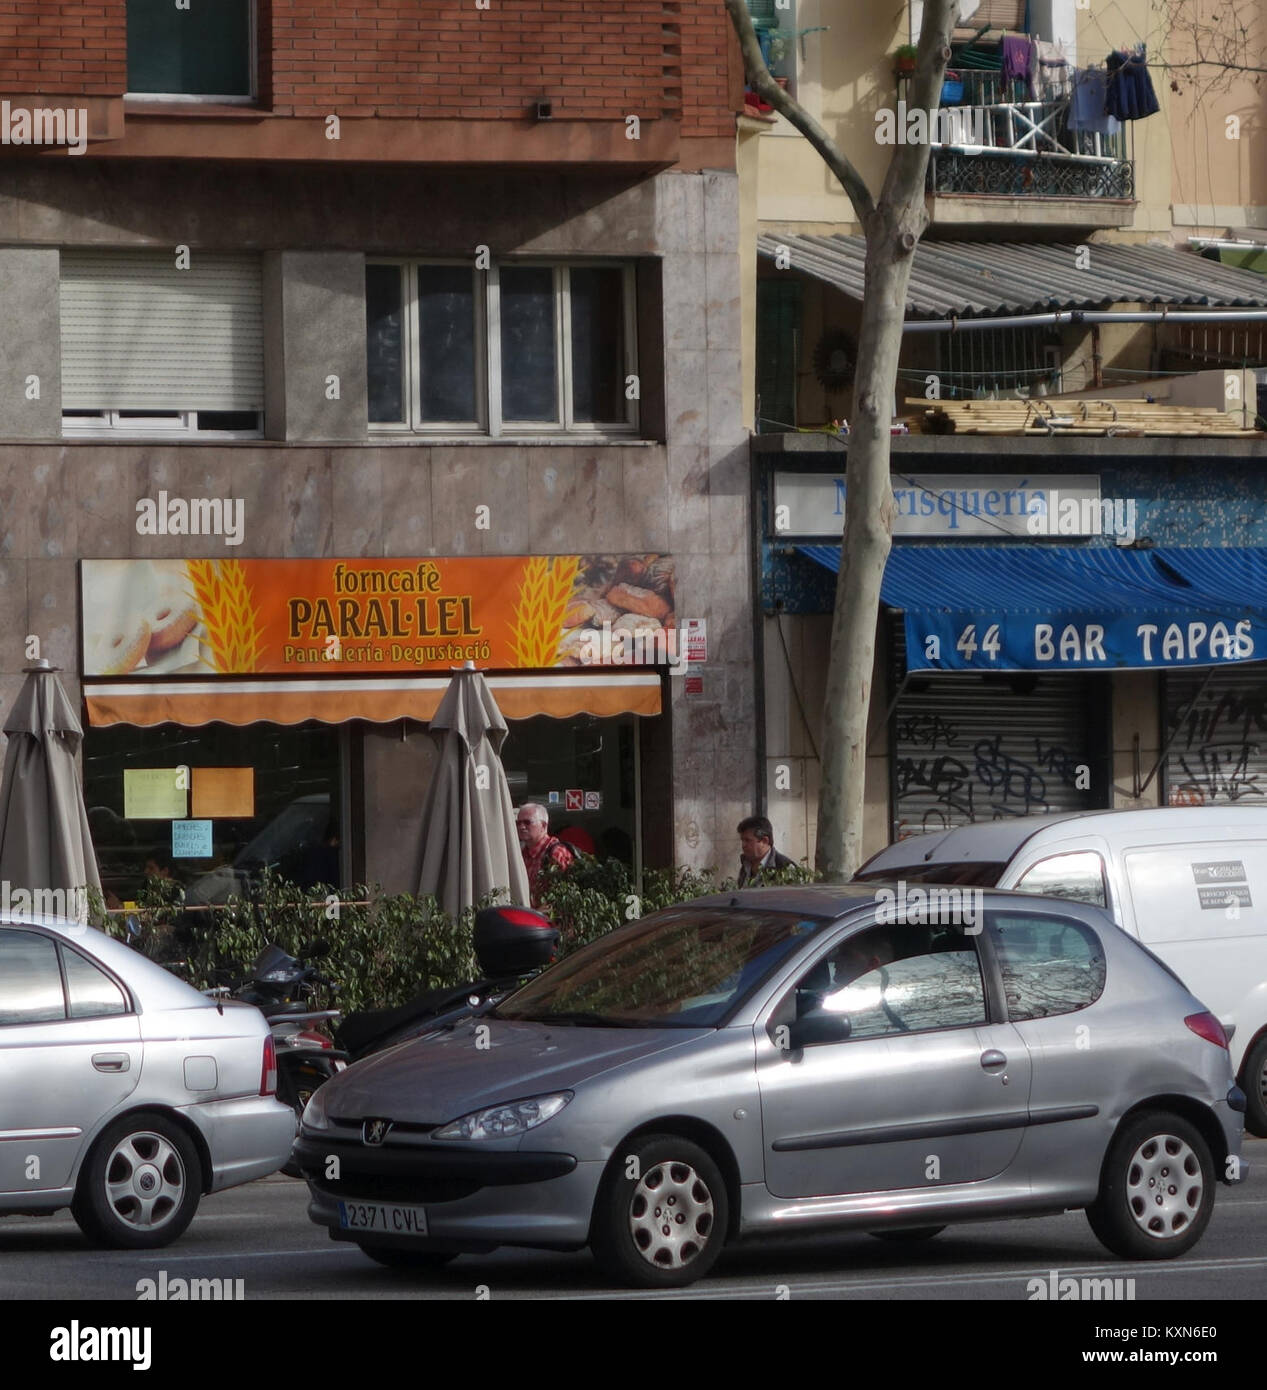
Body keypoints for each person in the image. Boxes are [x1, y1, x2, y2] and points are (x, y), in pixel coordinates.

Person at [516, 802, 575, 909]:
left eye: (527, 822)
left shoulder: (556, 852)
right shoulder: (521, 853)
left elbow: (565, 896)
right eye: (518, 823)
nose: (521, 827)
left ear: (543, 825)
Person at [737, 815, 795, 887]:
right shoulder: (746, 864)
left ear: (765, 841)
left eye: (748, 840)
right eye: (742, 840)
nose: (743, 845)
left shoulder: (785, 867)